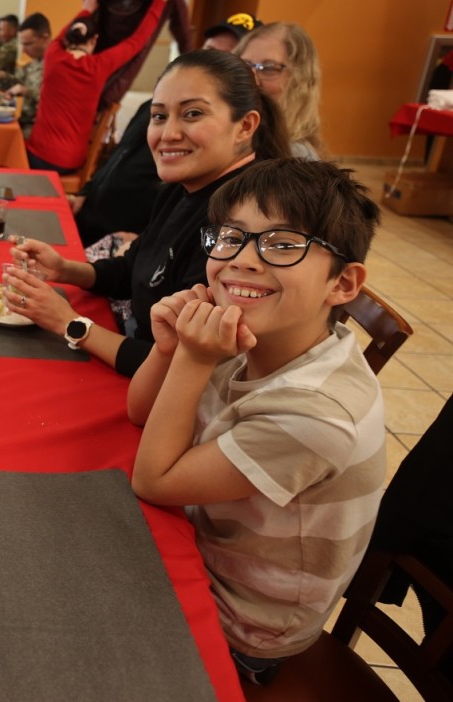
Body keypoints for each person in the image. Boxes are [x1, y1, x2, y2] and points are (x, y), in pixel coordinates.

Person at [128, 158, 384, 686]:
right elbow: (140, 413)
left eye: (283, 244)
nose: (243, 260)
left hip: (242, 625)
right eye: (231, 238)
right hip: (199, 543)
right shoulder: (252, 332)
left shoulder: (317, 413)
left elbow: (153, 481)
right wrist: (170, 349)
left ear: (343, 284)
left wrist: (194, 361)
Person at [2, 49, 290, 378]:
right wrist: (65, 269)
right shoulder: (182, 187)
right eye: (159, 116)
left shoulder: (242, 226)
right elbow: (134, 269)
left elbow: (178, 367)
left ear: (245, 126)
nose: (168, 134)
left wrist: (69, 323)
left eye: (193, 114)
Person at [72, 12, 255, 248]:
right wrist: (86, 191)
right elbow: (120, 154)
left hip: (116, 235)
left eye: (193, 114)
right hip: (94, 224)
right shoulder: (174, 192)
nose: (169, 134)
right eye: (209, 51)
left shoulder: (221, 212)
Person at [27, 0, 178, 173]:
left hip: (37, 156)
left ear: (68, 38)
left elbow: (62, 35)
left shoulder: (53, 56)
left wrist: (86, 10)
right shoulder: (99, 65)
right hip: (70, 161)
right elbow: (138, 40)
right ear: (94, 39)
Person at [236, 22, 325, 159]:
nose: (252, 78)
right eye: (245, 65)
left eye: (269, 68)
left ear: (299, 80)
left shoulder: (296, 158)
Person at [0, 13, 48, 138]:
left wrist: (27, 91)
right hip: (22, 120)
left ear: (44, 38)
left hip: (38, 129)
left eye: (28, 44)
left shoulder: (56, 65)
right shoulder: (35, 62)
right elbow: (17, 82)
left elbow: (56, 102)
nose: (24, 50)